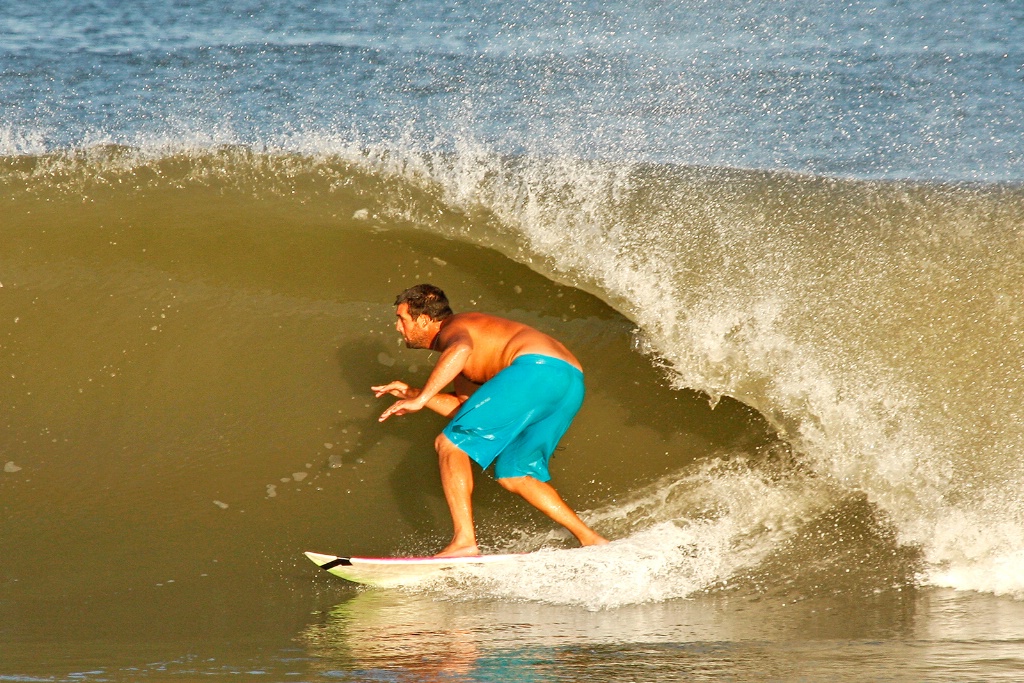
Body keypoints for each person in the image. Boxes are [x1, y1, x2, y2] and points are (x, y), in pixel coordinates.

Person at [372, 284, 609, 557]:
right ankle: (590, 538)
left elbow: (460, 348)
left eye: (401, 319)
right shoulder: (474, 345)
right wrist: (414, 394)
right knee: (515, 473)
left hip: (534, 369)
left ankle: (464, 542)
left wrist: (422, 397)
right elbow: (467, 410)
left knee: (450, 444)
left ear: (424, 320)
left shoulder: (455, 328)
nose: (397, 327)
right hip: (568, 381)